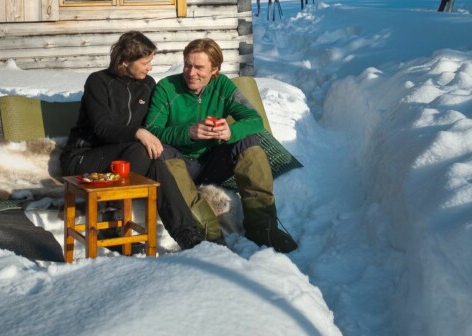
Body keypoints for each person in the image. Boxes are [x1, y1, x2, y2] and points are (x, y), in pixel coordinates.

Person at [144, 38, 298, 253]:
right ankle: (210, 236)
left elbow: (254, 120)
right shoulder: (167, 88)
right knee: (162, 153)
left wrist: (230, 132)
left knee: (248, 141)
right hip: (178, 164)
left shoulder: (223, 86)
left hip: (211, 161)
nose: (191, 73)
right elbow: (151, 130)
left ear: (214, 69)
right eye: (188, 65)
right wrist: (188, 132)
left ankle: (263, 228)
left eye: (199, 67)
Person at [59, 31, 205, 250]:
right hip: (84, 159)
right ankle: (111, 221)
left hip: (127, 161)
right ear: (125, 61)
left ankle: (189, 236)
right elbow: (102, 129)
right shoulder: (98, 82)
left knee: (156, 162)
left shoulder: (147, 85)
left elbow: (155, 123)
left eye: (150, 62)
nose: (150, 68)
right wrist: (138, 132)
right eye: (145, 63)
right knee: (142, 151)